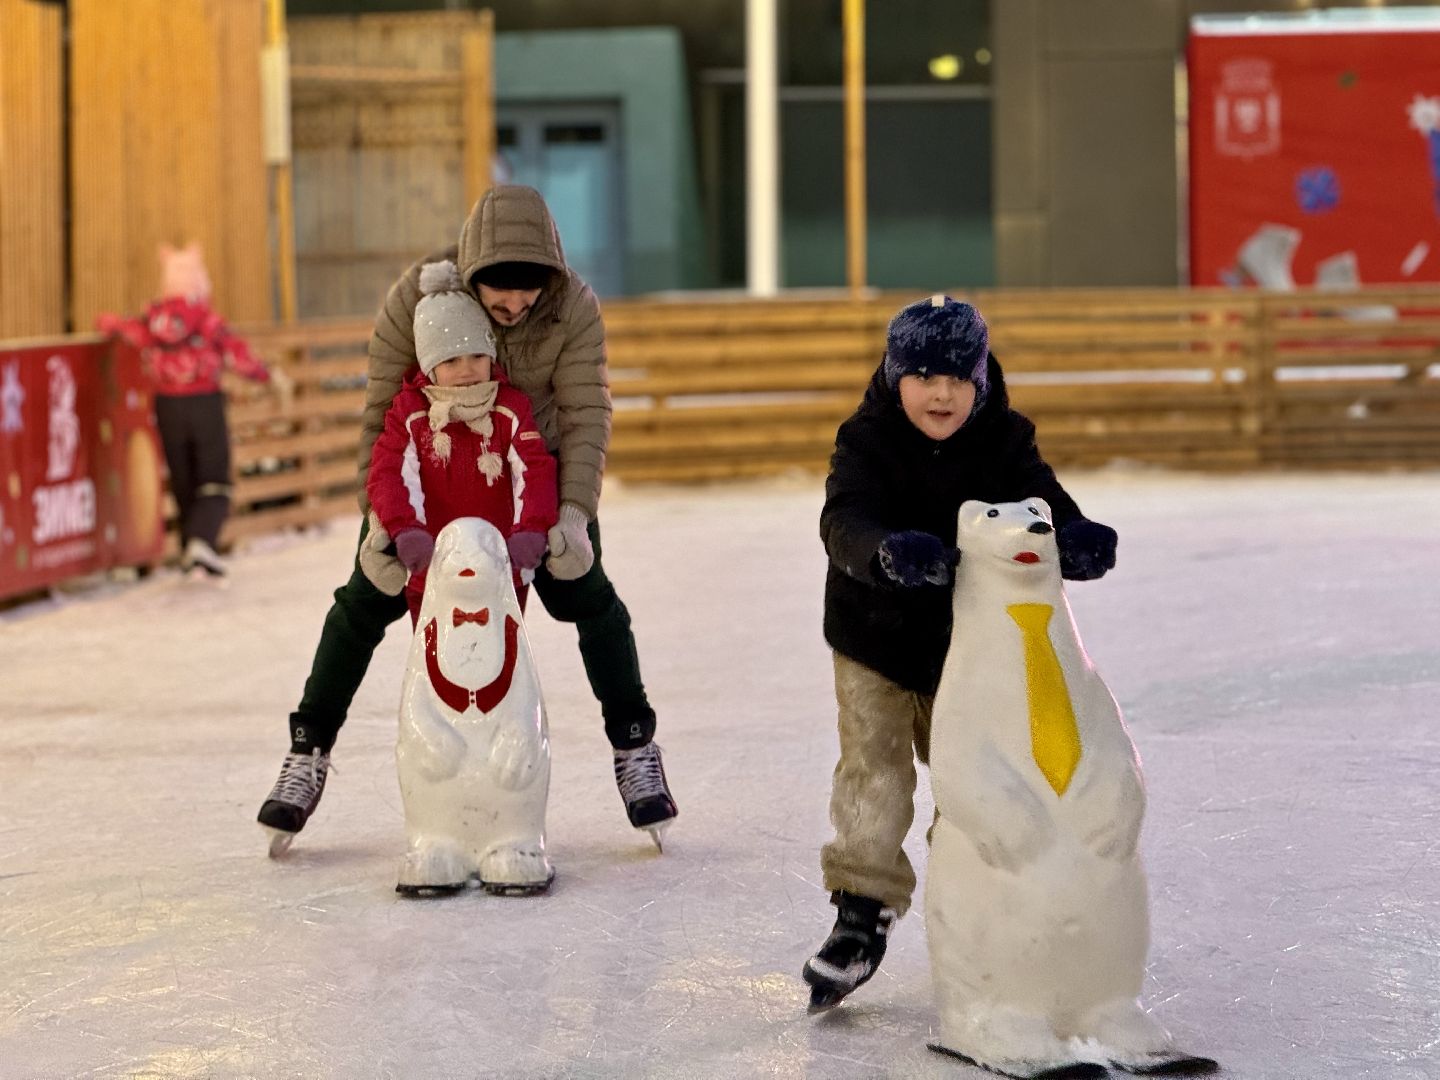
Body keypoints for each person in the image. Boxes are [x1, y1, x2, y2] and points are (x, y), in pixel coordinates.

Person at [257, 185, 678, 850]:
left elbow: (585, 415)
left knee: (590, 599)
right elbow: (381, 418)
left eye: (528, 293)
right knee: (363, 602)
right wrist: (379, 524)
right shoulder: (417, 299)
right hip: (431, 486)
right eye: (500, 295)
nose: (515, 308)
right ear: (473, 276)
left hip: (529, 486)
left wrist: (570, 518)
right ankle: (306, 752)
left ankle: (634, 746)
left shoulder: (574, 309)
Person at [801, 295, 1119, 1011]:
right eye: (923, 375)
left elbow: (1040, 500)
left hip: (968, 647)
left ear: (981, 379)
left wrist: (1072, 534)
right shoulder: (868, 438)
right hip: (874, 640)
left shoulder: (1002, 439)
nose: (941, 393)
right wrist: (883, 551)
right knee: (873, 773)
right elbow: (842, 517)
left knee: (975, 777)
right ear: (894, 373)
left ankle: (969, 898)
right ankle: (861, 912)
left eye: (958, 377)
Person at [362, 258, 556, 622]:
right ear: (430, 366)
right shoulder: (411, 413)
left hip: (501, 566)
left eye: (477, 356)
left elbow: (536, 469)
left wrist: (530, 530)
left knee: (499, 656)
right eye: (451, 360)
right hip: (432, 567)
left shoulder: (509, 409)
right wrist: (406, 529)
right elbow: (388, 472)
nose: (467, 369)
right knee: (441, 658)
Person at [98, 242, 289, 578]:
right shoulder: (206, 320)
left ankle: (191, 547)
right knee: (214, 478)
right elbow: (235, 354)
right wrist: (268, 375)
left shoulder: (153, 320)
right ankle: (201, 542)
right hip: (204, 403)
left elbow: (129, 332)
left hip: (167, 406)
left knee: (184, 477)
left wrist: (109, 323)